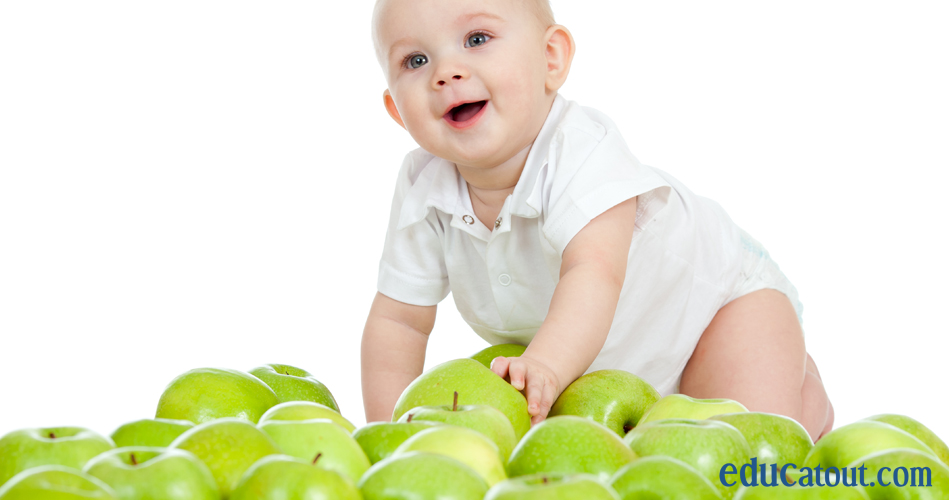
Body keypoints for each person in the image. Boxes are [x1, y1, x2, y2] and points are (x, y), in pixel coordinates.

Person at [362, 0, 834, 440]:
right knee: (654, 458)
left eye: (477, 39)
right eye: (416, 61)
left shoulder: (582, 150)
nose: (446, 72)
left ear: (551, 58)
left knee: (740, 438)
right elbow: (399, 321)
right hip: (605, 361)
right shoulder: (423, 186)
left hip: (718, 309)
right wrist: (388, 436)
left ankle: (805, 397)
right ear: (396, 112)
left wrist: (545, 364)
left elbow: (594, 272)